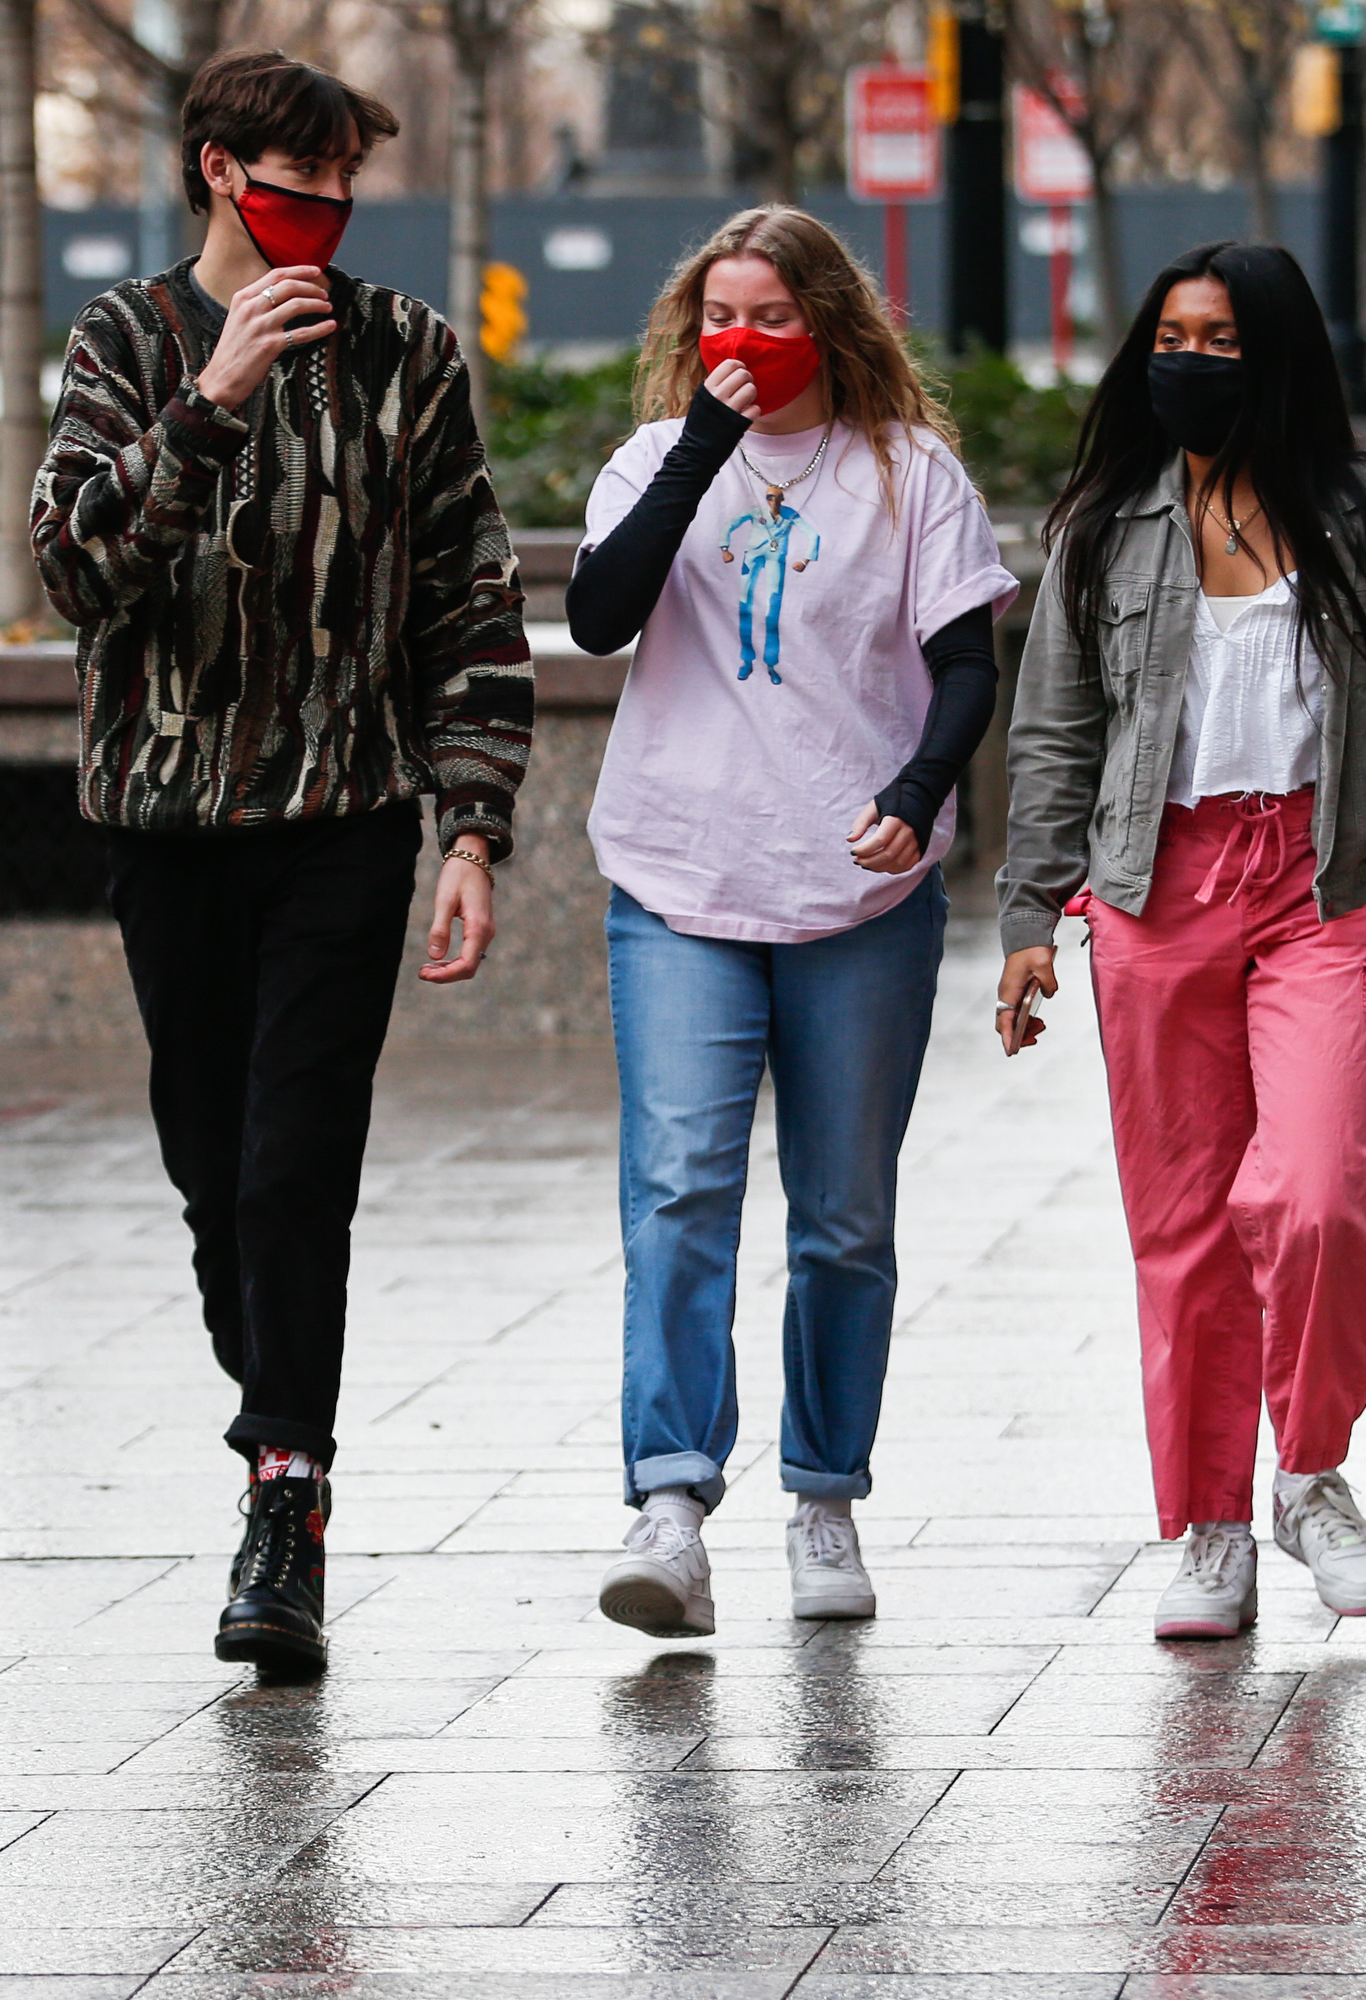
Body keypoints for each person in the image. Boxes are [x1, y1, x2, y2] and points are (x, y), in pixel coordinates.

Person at [30, 49, 532, 1677]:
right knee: (210, 1167)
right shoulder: (126, 341)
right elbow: (79, 571)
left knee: (295, 1158)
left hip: (343, 817)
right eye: (296, 181)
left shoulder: (410, 355)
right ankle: (271, 1417)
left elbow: (469, 595)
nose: (324, 213)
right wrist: (214, 398)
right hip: (166, 821)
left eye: (344, 187)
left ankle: (286, 1490)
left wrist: (472, 822)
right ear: (218, 173)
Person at [997, 242, 1366, 1642]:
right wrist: (1030, 918)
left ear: (1277, 352)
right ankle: (1211, 1529)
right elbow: (1055, 729)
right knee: (1183, 1230)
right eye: (1169, 334)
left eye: (1220, 338)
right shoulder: (1107, 529)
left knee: (1319, 1192)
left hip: (1325, 882)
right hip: (1153, 888)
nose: (1188, 361)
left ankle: (1314, 1475)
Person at [563, 206, 1017, 1637]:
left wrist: (919, 785)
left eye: (767, 318)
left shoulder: (908, 473)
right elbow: (597, 614)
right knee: (682, 1188)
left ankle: (823, 1497)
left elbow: (962, 664)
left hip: (858, 887)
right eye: (716, 319)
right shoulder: (654, 459)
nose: (738, 344)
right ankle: (673, 1505)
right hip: (681, 876)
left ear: (826, 323)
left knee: (840, 1218)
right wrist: (704, 437)